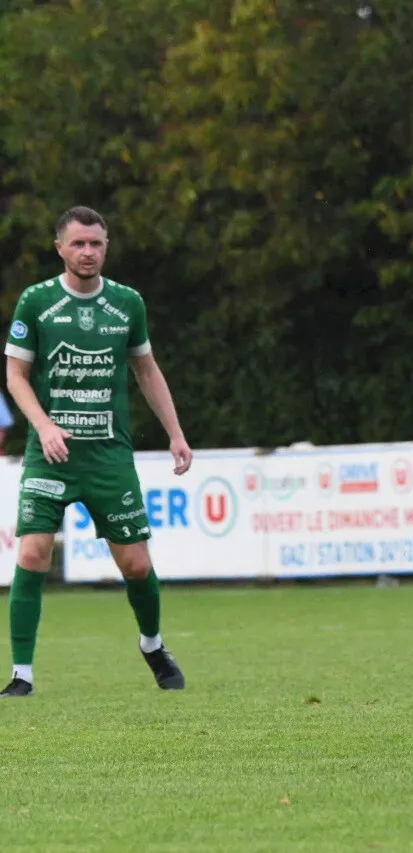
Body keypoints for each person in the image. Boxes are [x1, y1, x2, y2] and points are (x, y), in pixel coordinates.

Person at [1, 206, 193, 698]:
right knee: (32, 551)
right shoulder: (36, 302)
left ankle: (152, 644)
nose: (88, 252)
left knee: (137, 566)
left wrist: (175, 432)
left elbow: (146, 370)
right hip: (51, 456)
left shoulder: (127, 304)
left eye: (96, 244)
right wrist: (42, 426)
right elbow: (15, 376)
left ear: (106, 248)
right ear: (59, 247)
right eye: (78, 243)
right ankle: (22, 674)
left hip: (109, 458)